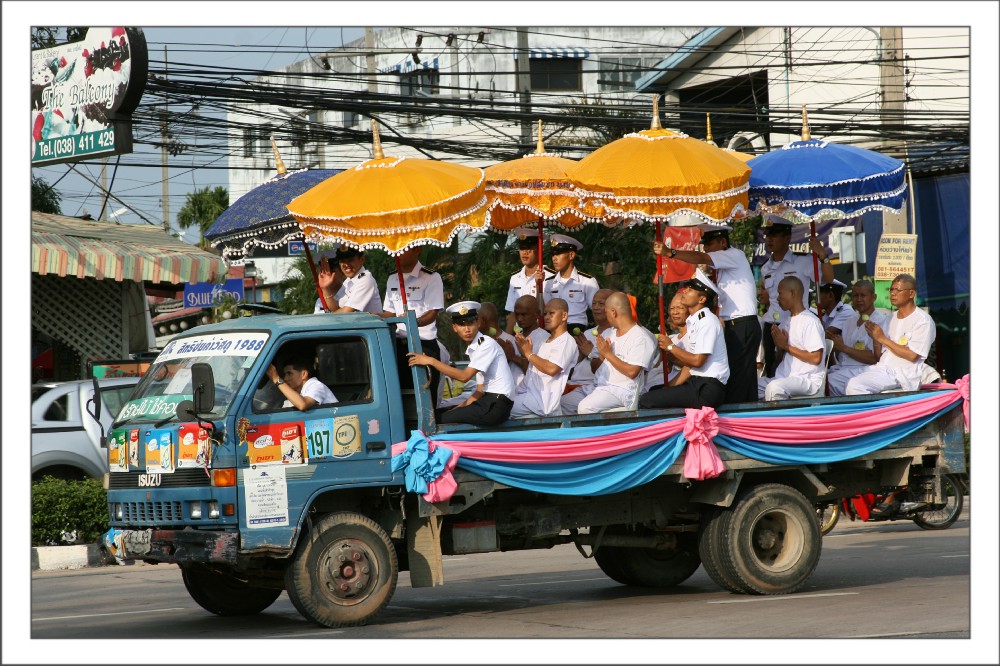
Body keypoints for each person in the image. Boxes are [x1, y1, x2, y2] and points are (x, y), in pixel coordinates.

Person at [653, 223, 760, 404]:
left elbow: (702, 257)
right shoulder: (725, 265)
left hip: (742, 324)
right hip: (735, 325)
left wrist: (671, 253)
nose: (706, 248)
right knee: (741, 378)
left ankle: (739, 421)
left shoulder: (734, 255)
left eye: (710, 243)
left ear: (722, 242)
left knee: (738, 379)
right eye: (705, 244)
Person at [408, 302, 515, 426]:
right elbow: (480, 390)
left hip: (496, 405)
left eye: (470, 323)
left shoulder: (486, 344)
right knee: (438, 413)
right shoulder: (476, 347)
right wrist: (458, 408)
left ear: (478, 323)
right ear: (454, 327)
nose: (467, 329)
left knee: (434, 420)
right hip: (489, 401)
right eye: (461, 325)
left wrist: (431, 361)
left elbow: (464, 377)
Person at [639, 269, 730, 410]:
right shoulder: (695, 321)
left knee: (646, 401)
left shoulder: (707, 321)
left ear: (701, 299)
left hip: (707, 388)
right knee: (653, 392)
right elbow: (690, 365)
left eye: (691, 289)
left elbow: (697, 361)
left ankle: (666, 431)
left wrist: (671, 347)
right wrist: (669, 386)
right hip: (697, 383)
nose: (686, 291)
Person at [760, 219, 834, 377]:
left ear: (787, 238)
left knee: (798, 371)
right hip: (772, 325)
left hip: (797, 325)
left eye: (774, 235)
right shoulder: (765, 268)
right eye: (767, 235)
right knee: (772, 371)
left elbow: (827, 279)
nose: (769, 239)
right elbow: (769, 298)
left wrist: (821, 254)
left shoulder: (803, 261)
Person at [845, 274, 937, 395]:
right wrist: (875, 339)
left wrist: (882, 338)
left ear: (911, 294)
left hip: (902, 373)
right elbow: (878, 356)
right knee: (836, 380)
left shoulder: (923, 320)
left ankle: (878, 414)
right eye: (891, 289)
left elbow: (913, 355)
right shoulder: (889, 319)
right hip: (881, 368)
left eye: (897, 290)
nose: (893, 293)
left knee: (855, 385)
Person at [380, 246, 445, 402]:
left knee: (426, 397)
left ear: (417, 250)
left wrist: (414, 322)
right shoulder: (392, 278)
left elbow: (433, 312)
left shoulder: (431, 277)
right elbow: (390, 312)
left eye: (401, 249)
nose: (397, 253)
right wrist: (371, 316)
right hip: (399, 346)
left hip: (422, 345)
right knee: (402, 396)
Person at [577, 292, 658, 413]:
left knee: (584, 407)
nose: (606, 316)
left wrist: (608, 354)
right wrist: (602, 355)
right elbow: (594, 369)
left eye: (606, 312)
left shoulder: (641, 338)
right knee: (564, 403)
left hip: (622, 391)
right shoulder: (608, 333)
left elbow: (632, 372)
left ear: (613, 312)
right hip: (599, 386)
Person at [757, 277, 826, 401]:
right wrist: (779, 346)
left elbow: (816, 358)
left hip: (806, 379)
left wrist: (786, 346)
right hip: (784, 377)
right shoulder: (785, 322)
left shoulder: (809, 321)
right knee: (750, 385)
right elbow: (780, 358)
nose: (778, 298)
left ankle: (779, 420)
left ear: (793, 293)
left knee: (774, 388)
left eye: (780, 293)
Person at [509, 298, 579, 418]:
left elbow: (552, 369)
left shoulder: (566, 341)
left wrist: (528, 353)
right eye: (545, 313)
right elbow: (532, 373)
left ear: (564, 316)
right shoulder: (547, 340)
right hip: (529, 397)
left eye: (551, 313)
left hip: (541, 402)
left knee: (499, 410)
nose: (546, 317)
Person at [826, 279, 891, 396]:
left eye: (863, 295)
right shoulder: (849, 322)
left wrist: (844, 348)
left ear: (874, 297)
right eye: (855, 296)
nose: (859, 299)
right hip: (842, 369)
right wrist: (836, 345)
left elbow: (875, 358)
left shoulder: (880, 322)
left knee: (826, 382)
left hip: (865, 370)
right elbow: (841, 353)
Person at [561, 288, 614, 414]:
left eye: (601, 304)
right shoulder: (587, 333)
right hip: (572, 385)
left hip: (594, 386)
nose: (595, 307)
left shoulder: (614, 334)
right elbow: (574, 363)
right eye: (594, 303)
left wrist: (590, 352)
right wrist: (579, 352)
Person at [542, 234, 600, 330]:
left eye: (558, 253)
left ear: (571, 255)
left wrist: (599, 333)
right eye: (553, 254)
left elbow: (597, 311)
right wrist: (537, 284)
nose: (554, 258)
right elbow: (543, 310)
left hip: (577, 331)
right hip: (554, 331)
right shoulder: (549, 283)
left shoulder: (587, 282)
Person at [504, 228, 554, 333]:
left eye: (530, 248)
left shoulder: (551, 277)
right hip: (520, 333)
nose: (525, 253)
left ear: (540, 250)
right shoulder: (515, 278)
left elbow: (552, 312)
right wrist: (507, 337)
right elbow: (512, 314)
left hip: (543, 332)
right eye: (522, 248)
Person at [314, 246, 382, 314]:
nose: (346, 265)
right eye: (342, 261)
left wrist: (327, 318)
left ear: (362, 259)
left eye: (350, 260)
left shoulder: (365, 279)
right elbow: (335, 308)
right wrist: (325, 289)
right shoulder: (348, 282)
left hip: (369, 324)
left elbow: (346, 313)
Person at [501, 294, 553, 377]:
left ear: (537, 314)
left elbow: (536, 373)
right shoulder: (516, 337)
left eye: (524, 314)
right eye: (517, 314)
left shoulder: (545, 339)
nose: (520, 319)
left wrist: (513, 357)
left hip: (530, 389)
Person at [265, 357, 337, 411]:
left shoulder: (316, 385)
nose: (285, 378)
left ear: (304, 374)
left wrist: (276, 379)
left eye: (289, 373)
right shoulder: (299, 392)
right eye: (285, 374)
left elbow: (302, 404)